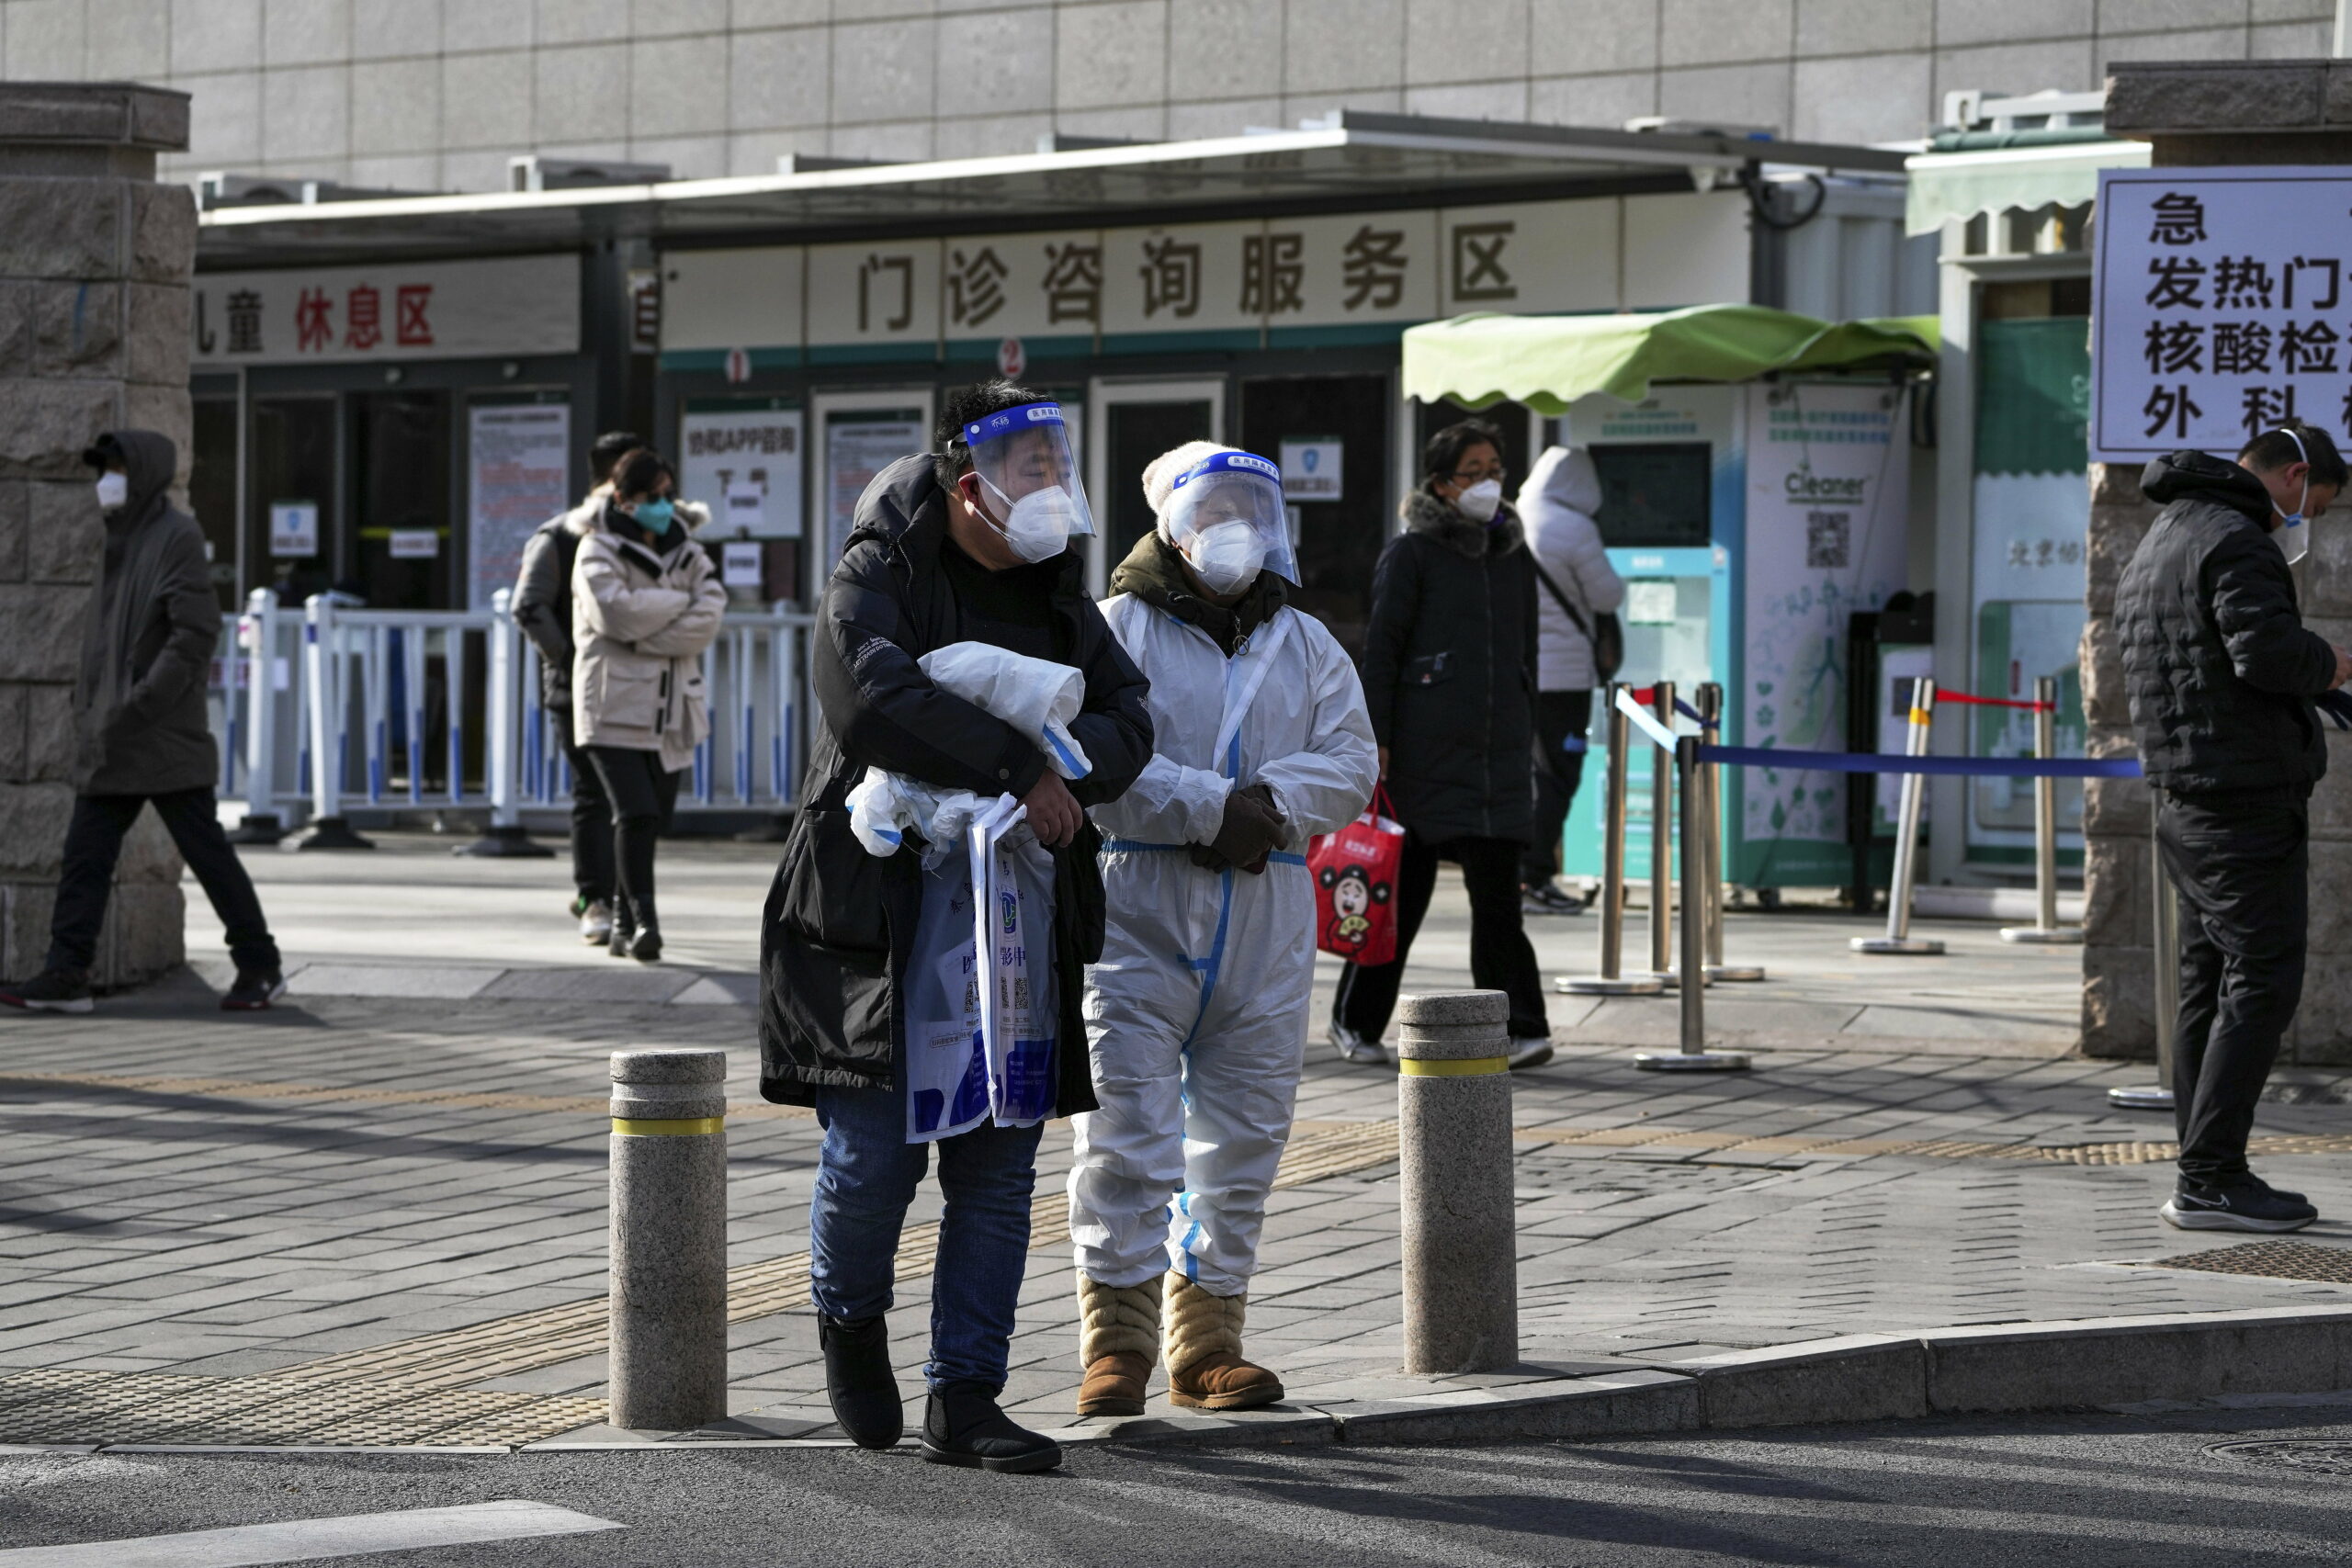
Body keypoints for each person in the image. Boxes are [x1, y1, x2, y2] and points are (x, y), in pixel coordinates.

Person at [760, 381, 1152, 1472]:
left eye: (1056, 459)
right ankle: (848, 1323)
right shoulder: (880, 569)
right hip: (878, 913)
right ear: (967, 481)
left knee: (996, 1170)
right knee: (872, 1156)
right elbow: (868, 697)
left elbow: (1130, 717)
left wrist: (1069, 768)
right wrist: (1021, 761)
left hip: (1019, 915)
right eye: (1030, 463)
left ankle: (966, 1396)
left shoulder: (1057, 591)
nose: (1051, 482)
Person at [1069, 443, 1377, 1418]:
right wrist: (1212, 809)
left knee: (1245, 1129)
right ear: (1170, 519)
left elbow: (1352, 762)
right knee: (1124, 1124)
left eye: (1254, 503)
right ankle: (1113, 1337)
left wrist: (1266, 809)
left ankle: (1206, 1339)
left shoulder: (1308, 642)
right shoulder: (1112, 628)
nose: (1235, 523)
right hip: (1135, 901)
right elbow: (1089, 755)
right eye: (1215, 504)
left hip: (1269, 902)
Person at [2118, 421, 2352, 1235]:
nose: (2305, 519)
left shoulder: (2163, 537)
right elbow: (2262, 655)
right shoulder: (2239, 540)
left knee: (2205, 981)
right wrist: (2327, 661)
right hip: (2244, 802)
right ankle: (2211, 1175)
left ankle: (2200, 1159)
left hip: (2184, 796)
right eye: (2312, 503)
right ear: (2291, 476)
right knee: (2263, 979)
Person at [0, 431, 285, 1015]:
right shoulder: (117, 537)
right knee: (85, 856)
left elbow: (196, 632)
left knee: (207, 855)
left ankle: (260, 966)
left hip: (159, 733)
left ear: (145, 474)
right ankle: (66, 974)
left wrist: (141, 702)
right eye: (103, 469)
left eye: (118, 469)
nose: (107, 480)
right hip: (114, 737)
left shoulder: (175, 536)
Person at [1333, 419, 1552, 1071]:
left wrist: (1525, 730)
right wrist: (1377, 740)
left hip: (1498, 759)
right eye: (1473, 471)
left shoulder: (1514, 552)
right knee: (1400, 900)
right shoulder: (1413, 553)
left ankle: (1524, 1026)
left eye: (1495, 469)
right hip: (1423, 758)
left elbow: (1527, 653)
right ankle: (1355, 1020)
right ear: (1440, 483)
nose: (1488, 482)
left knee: (1499, 905)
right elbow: (1384, 651)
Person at [570, 448, 725, 964]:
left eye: (666, 494)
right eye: (650, 497)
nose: (663, 506)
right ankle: (644, 924)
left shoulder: (689, 551)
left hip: (673, 710)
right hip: (611, 707)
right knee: (633, 813)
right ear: (623, 499)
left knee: (651, 817)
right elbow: (615, 615)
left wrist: (647, 630)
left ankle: (619, 918)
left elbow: (710, 614)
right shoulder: (595, 548)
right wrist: (678, 605)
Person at [515, 429, 643, 945]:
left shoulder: (639, 534)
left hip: (633, 687)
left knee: (636, 799)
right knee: (594, 793)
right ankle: (596, 897)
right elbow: (529, 605)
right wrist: (570, 660)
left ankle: (617, 895)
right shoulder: (559, 536)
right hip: (578, 689)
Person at [1517, 445, 1624, 914]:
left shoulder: (1512, 516)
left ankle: (1519, 875)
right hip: (1563, 676)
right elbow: (1608, 594)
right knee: (1558, 775)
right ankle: (1535, 875)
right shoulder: (1575, 526)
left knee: (1526, 775)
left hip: (1515, 670)